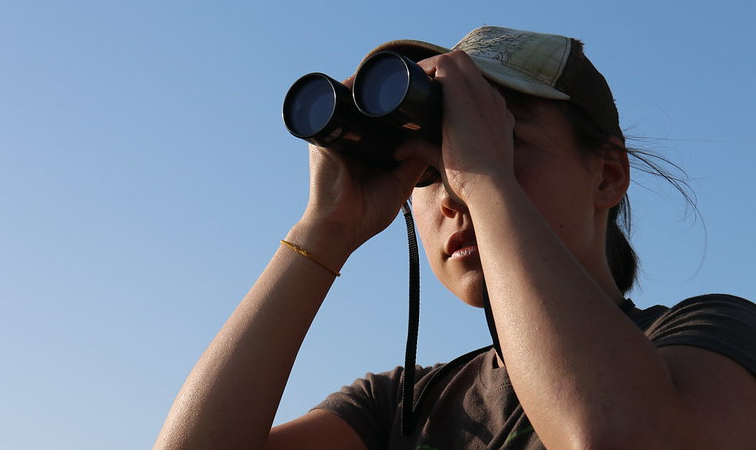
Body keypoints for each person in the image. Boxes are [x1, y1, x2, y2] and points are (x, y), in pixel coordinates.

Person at [155, 26, 756, 449]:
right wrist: (325, 229)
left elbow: (619, 438)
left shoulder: (711, 338)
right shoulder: (401, 406)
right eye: (431, 166)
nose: (453, 192)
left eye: (499, 141)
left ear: (607, 173)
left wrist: (486, 178)